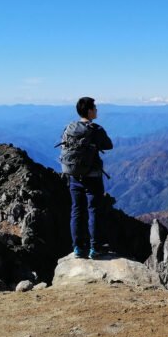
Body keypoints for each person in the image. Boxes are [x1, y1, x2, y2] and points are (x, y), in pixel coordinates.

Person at [60, 96, 113, 259]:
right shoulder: (95, 129)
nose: (97, 111)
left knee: (76, 210)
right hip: (93, 177)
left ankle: (77, 248)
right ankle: (95, 248)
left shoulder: (69, 128)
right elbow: (108, 145)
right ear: (89, 111)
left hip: (74, 175)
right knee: (94, 210)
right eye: (95, 109)